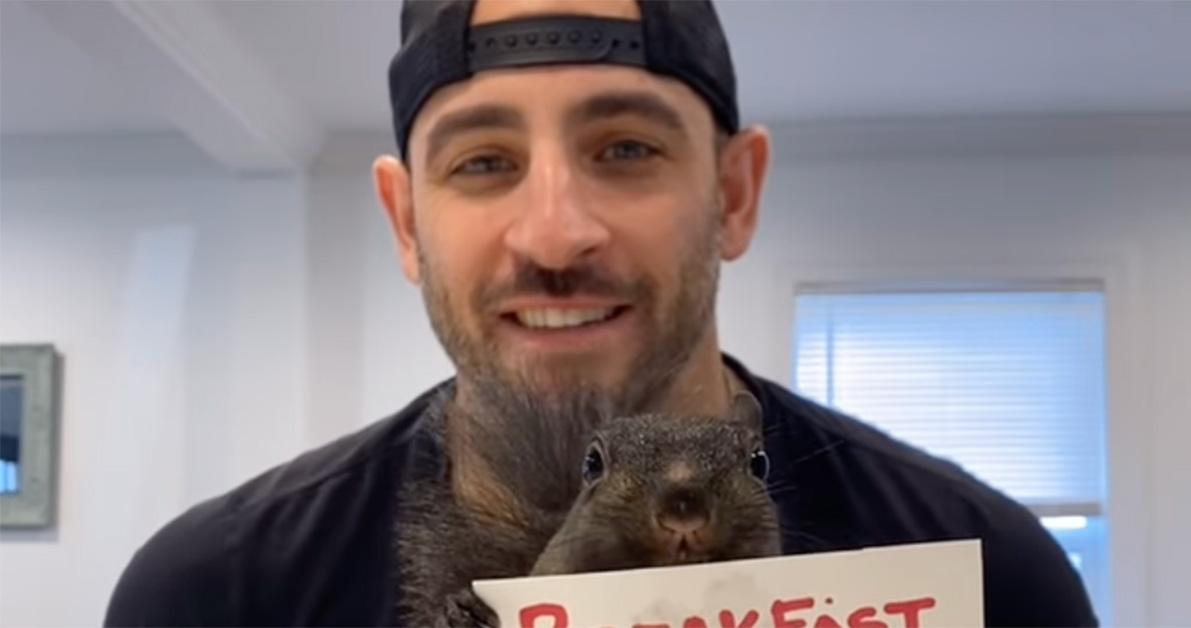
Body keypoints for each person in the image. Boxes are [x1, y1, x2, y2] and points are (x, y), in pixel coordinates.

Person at [104, 0, 1097, 626]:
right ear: (406, 223)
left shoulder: (991, 576)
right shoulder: (214, 594)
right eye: (482, 161)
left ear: (735, 194)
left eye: (626, 149)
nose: (555, 232)